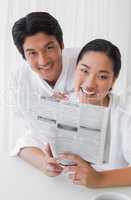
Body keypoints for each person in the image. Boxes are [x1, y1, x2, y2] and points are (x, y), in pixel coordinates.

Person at [57, 39, 131, 188]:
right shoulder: (64, 104)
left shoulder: (126, 115)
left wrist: (99, 179)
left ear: (113, 81)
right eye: (84, 71)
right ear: (75, 69)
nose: (90, 84)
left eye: (102, 76)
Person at [11, 11, 79, 177]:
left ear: (61, 44)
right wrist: (44, 164)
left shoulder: (84, 62)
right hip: (52, 161)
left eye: (49, 48)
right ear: (24, 56)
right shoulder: (21, 78)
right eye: (32, 53)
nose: (43, 61)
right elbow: (31, 135)